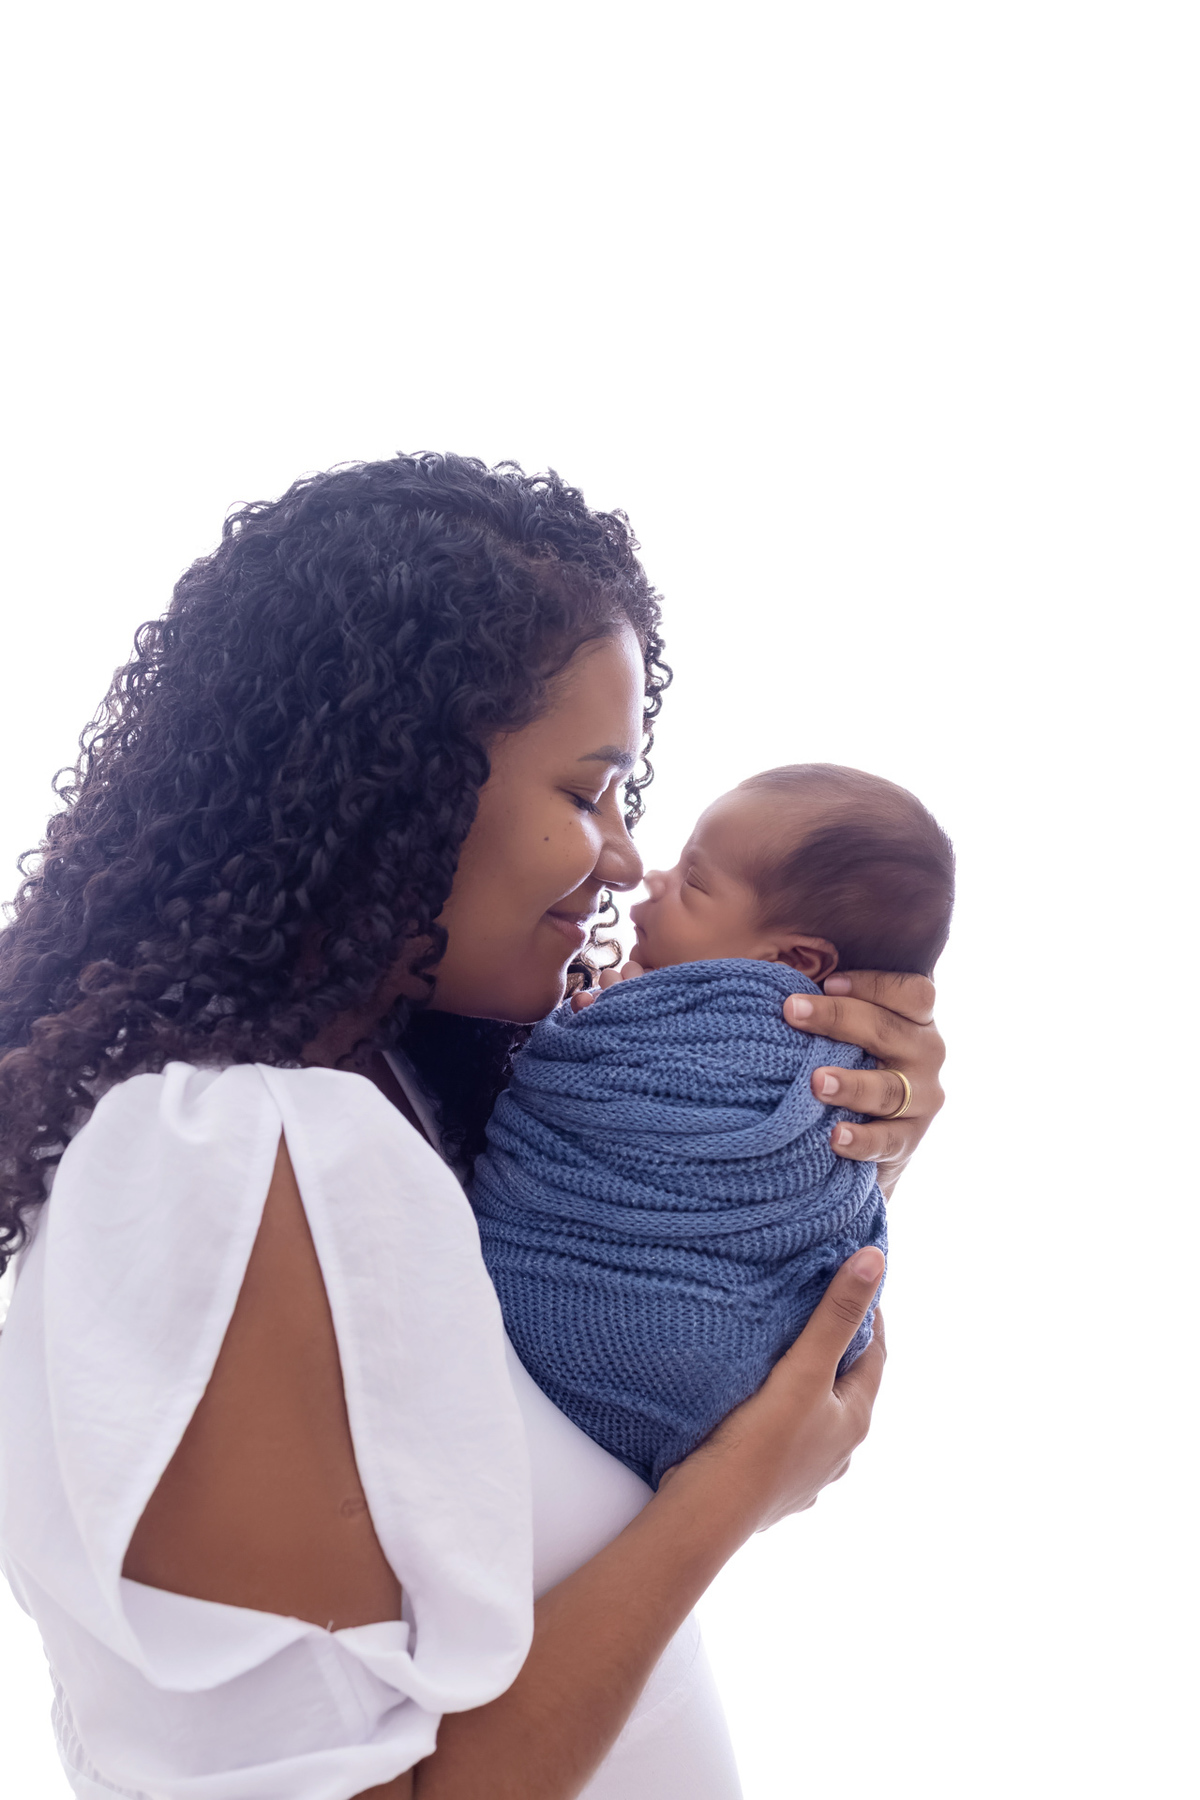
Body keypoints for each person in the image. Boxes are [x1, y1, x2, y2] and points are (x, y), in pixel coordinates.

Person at [0, 454, 946, 1800]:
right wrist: (735, 1491)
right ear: (397, 785)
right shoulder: (235, 1151)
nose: (625, 857)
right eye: (585, 792)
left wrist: (823, 1134)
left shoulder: (412, 1104)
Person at [471, 762, 954, 1486]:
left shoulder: (816, 1063)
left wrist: (877, 1162)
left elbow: (773, 1221)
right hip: (691, 1382)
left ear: (793, 960)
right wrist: (738, 1489)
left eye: (693, 881)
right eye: (580, 795)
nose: (640, 873)